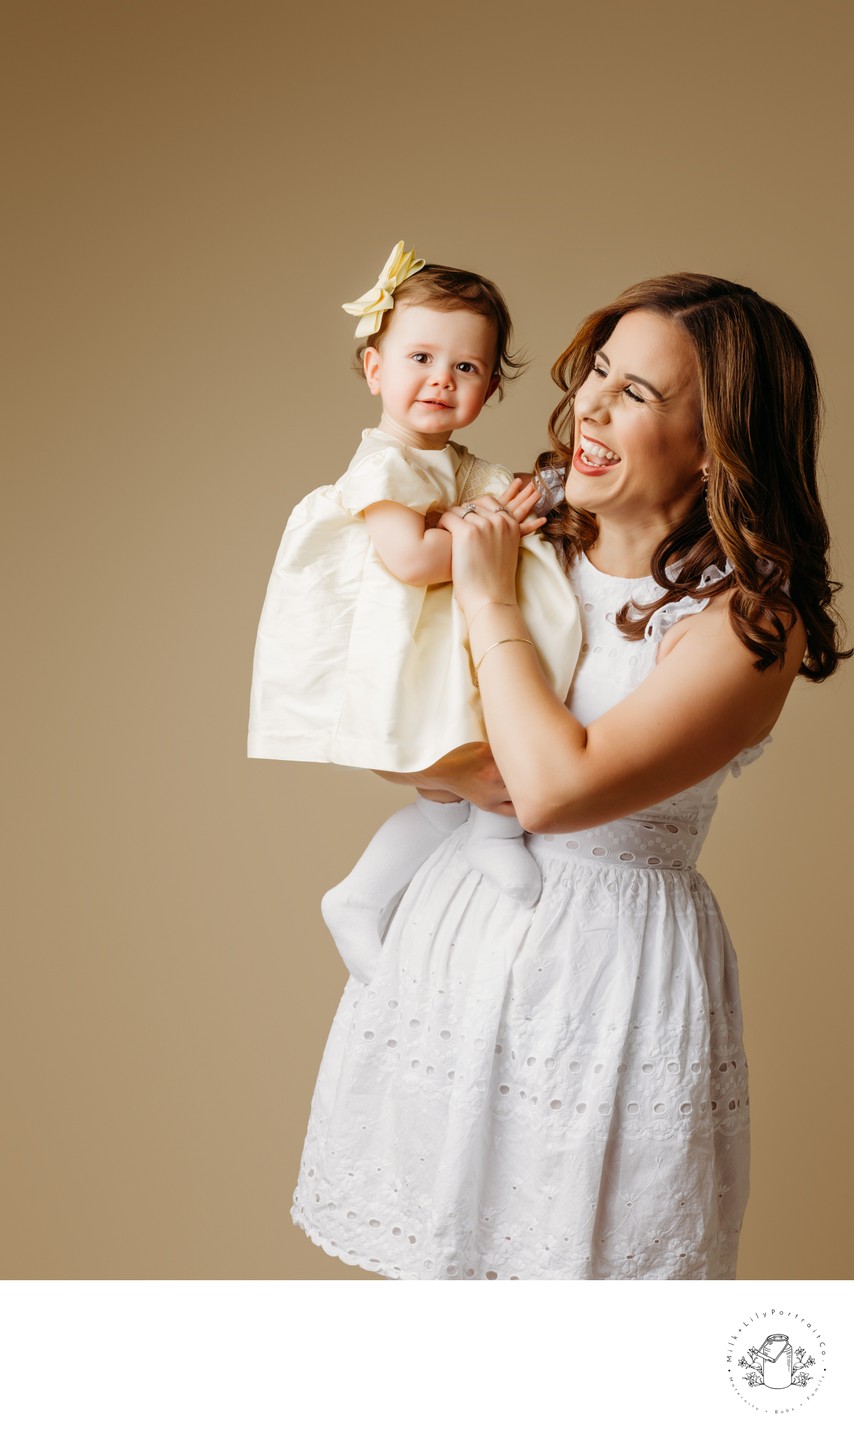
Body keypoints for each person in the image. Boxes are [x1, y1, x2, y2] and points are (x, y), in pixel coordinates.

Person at [289, 273, 849, 1280]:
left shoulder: (743, 626)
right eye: (596, 372)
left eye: (635, 394)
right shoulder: (525, 517)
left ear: (715, 440)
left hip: (610, 981)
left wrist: (485, 593)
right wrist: (444, 767)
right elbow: (382, 699)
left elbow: (553, 787)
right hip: (458, 929)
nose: (587, 405)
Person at [248, 243, 580, 984]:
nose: (441, 378)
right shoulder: (386, 462)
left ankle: (360, 895)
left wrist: (525, 500)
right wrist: (493, 522)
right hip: (405, 654)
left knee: (450, 792)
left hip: (441, 651)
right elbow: (411, 559)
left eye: (465, 367)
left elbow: (503, 497)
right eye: (420, 357)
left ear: (491, 387)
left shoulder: (454, 460)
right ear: (375, 370)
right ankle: (491, 834)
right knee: (477, 766)